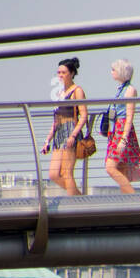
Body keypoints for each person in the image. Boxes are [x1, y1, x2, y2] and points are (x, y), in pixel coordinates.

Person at [103, 60, 140, 192]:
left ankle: (133, 197)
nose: (111, 72)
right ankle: (127, 199)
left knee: (110, 167)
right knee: (121, 168)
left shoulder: (129, 90)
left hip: (122, 130)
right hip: (116, 129)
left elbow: (129, 116)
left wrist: (124, 139)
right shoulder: (120, 89)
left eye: (113, 69)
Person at [40, 57, 88, 196]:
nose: (60, 75)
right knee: (54, 174)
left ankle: (75, 204)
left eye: (63, 72)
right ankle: (80, 199)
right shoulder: (60, 93)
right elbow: (55, 120)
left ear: (72, 73)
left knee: (67, 173)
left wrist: (73, 135)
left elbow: (83, 115)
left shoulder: (77, 91)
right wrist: (47, 140)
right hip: (59, 133)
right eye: (58, 73)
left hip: (70, 131)